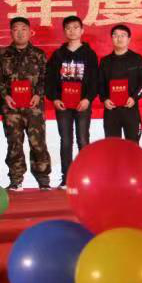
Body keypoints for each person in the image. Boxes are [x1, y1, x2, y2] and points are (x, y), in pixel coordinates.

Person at [0, 17, 51, 190]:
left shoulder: (39, 54)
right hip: (11, 108)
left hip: (34, 107)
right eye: (16, 29)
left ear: (30, 32)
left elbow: (46, 78)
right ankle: (16, 180)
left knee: (38, 143)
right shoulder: (3, 54)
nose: (20, 33)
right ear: (11, 32)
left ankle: (43, 179)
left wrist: (38, 94)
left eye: (23, 29)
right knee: (14, 144)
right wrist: (5, 96)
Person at [45, 16, 98, 187]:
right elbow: (50, 79)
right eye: (68, 28)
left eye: (76, 27)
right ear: (64, 31)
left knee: (83, 139)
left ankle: (85, 176)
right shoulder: (58, 55)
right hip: (63, 105)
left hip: (82, 104)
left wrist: (88, 99)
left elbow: (95, 80)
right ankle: (66, 177)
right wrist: (54, 98)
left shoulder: (89, 54)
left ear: (82, 30)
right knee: (66, 140)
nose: (72, 31)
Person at [99, 24, 142, 142]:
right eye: (115, 35)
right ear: (112, 38)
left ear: (129, 39)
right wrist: (104, 99)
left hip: (130, 108)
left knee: (133, 145)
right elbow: (100, 83)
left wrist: (134, 97)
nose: (119, 38)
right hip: (111, 110)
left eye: (123, 35)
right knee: (113, 145)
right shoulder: (105, 61)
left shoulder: (137, 59)